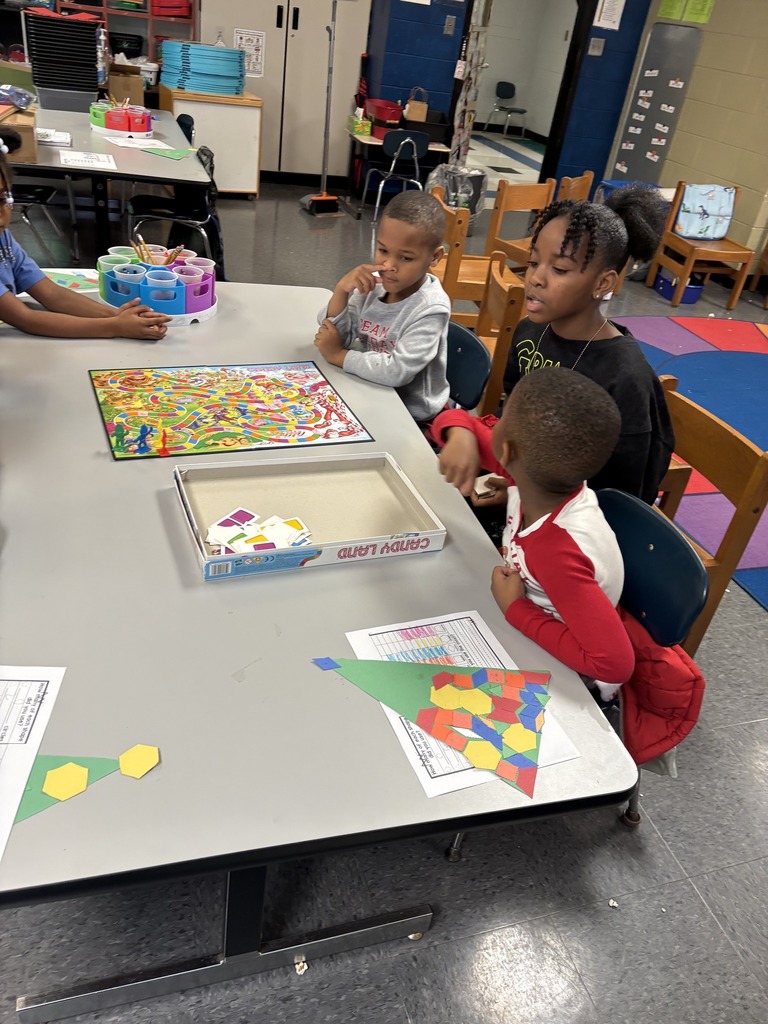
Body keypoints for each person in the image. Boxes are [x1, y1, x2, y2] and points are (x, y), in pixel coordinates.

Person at [433, 184, 674, 514]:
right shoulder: (530, 332)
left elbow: (624, 497)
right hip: (517, 489)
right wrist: (474, 443)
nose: (536, 278)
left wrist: (526, 498)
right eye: (533, 263)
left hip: (567, 526)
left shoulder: (625, 378)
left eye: (559, 269)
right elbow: (513, 421)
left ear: (603, 283)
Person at [434, 367, 635, 688]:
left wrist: (516, 609)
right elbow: (454, 421)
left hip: (561, 659)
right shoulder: (538, 474)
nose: (493, 423)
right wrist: (459, 436)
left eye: (502, 419)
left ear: (507, 451)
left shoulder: (556, 552)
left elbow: (613, 665)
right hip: (529, 599)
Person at [0, 129, 171, 341]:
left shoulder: (3, 238)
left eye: (2, 201)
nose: (1, 219)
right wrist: (116, 326)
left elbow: (51, 294)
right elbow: (26, 319)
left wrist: (118, 315)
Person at [314, 190, 449, 423]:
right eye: (383, 250)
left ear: (434, 257)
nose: (388, 265)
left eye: (405, 258)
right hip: (369, 389)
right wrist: (341, 291)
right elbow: (338, 335)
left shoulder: (431, 308)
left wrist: (338, 356)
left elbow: (396, 371)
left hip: (412, 416)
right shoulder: (376, 283)